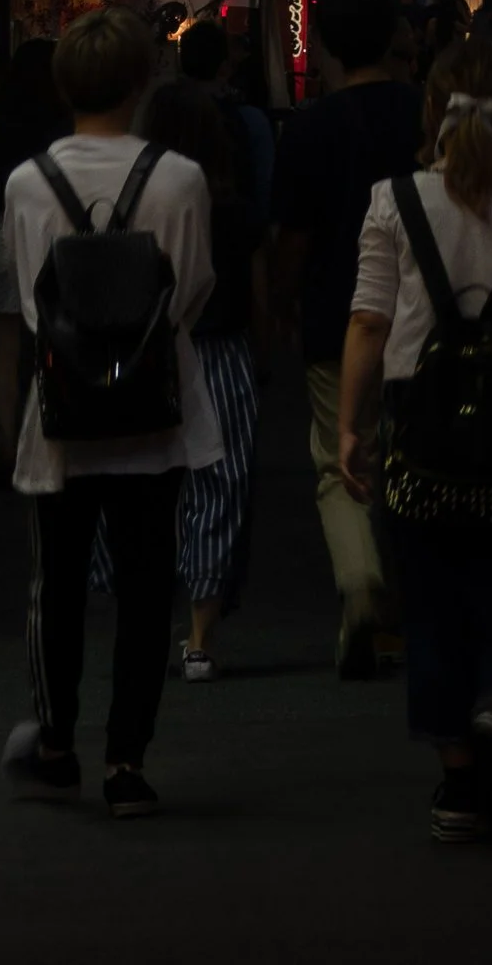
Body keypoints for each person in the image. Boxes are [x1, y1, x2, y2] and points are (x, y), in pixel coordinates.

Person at [337, 35, 492, 845]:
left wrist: (349, 426)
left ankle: (456, 785)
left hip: (418, 420)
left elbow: (370, 322)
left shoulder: (393, 201)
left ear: (433, 110)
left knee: (432, 600)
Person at [0, 6, 218, 817]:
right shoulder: (180, 178)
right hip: (153, 413)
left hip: (60, 416)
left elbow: (32, 302)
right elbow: (191, 289)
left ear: (64, 87)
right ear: (140, 83)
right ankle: (127, 761)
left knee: (55, 585)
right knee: (145, 586)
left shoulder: (28, 183)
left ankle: (57, 741)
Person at [270, 0, 424, 675]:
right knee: (417, 460)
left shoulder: (309, 129)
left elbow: (295, 236)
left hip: (337, 313)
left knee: (342, 461)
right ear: (394, 38)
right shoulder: (425, 115)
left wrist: (281, 299)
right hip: (426, 314)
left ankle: (362, 585)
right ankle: (420, 605)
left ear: (325, 44)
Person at [143, 77, 268, 676]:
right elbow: (258, 294)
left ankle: (149, 617)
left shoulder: (139, 205)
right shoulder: (233, 209)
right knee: (220, 489)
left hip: (152, 356)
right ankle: (199, 637)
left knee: (152, 484)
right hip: (222, 352)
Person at [0, 38, 63, 476]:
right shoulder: (64, 127)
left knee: (2, 348)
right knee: (53, 344)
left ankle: (4, 444)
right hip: (49, 236)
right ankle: (46, 442)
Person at [178, 12, 275, 210]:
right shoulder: (251, 121)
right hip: (237, 231)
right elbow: (264, 187)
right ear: (224, 67)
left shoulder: (165, 114)